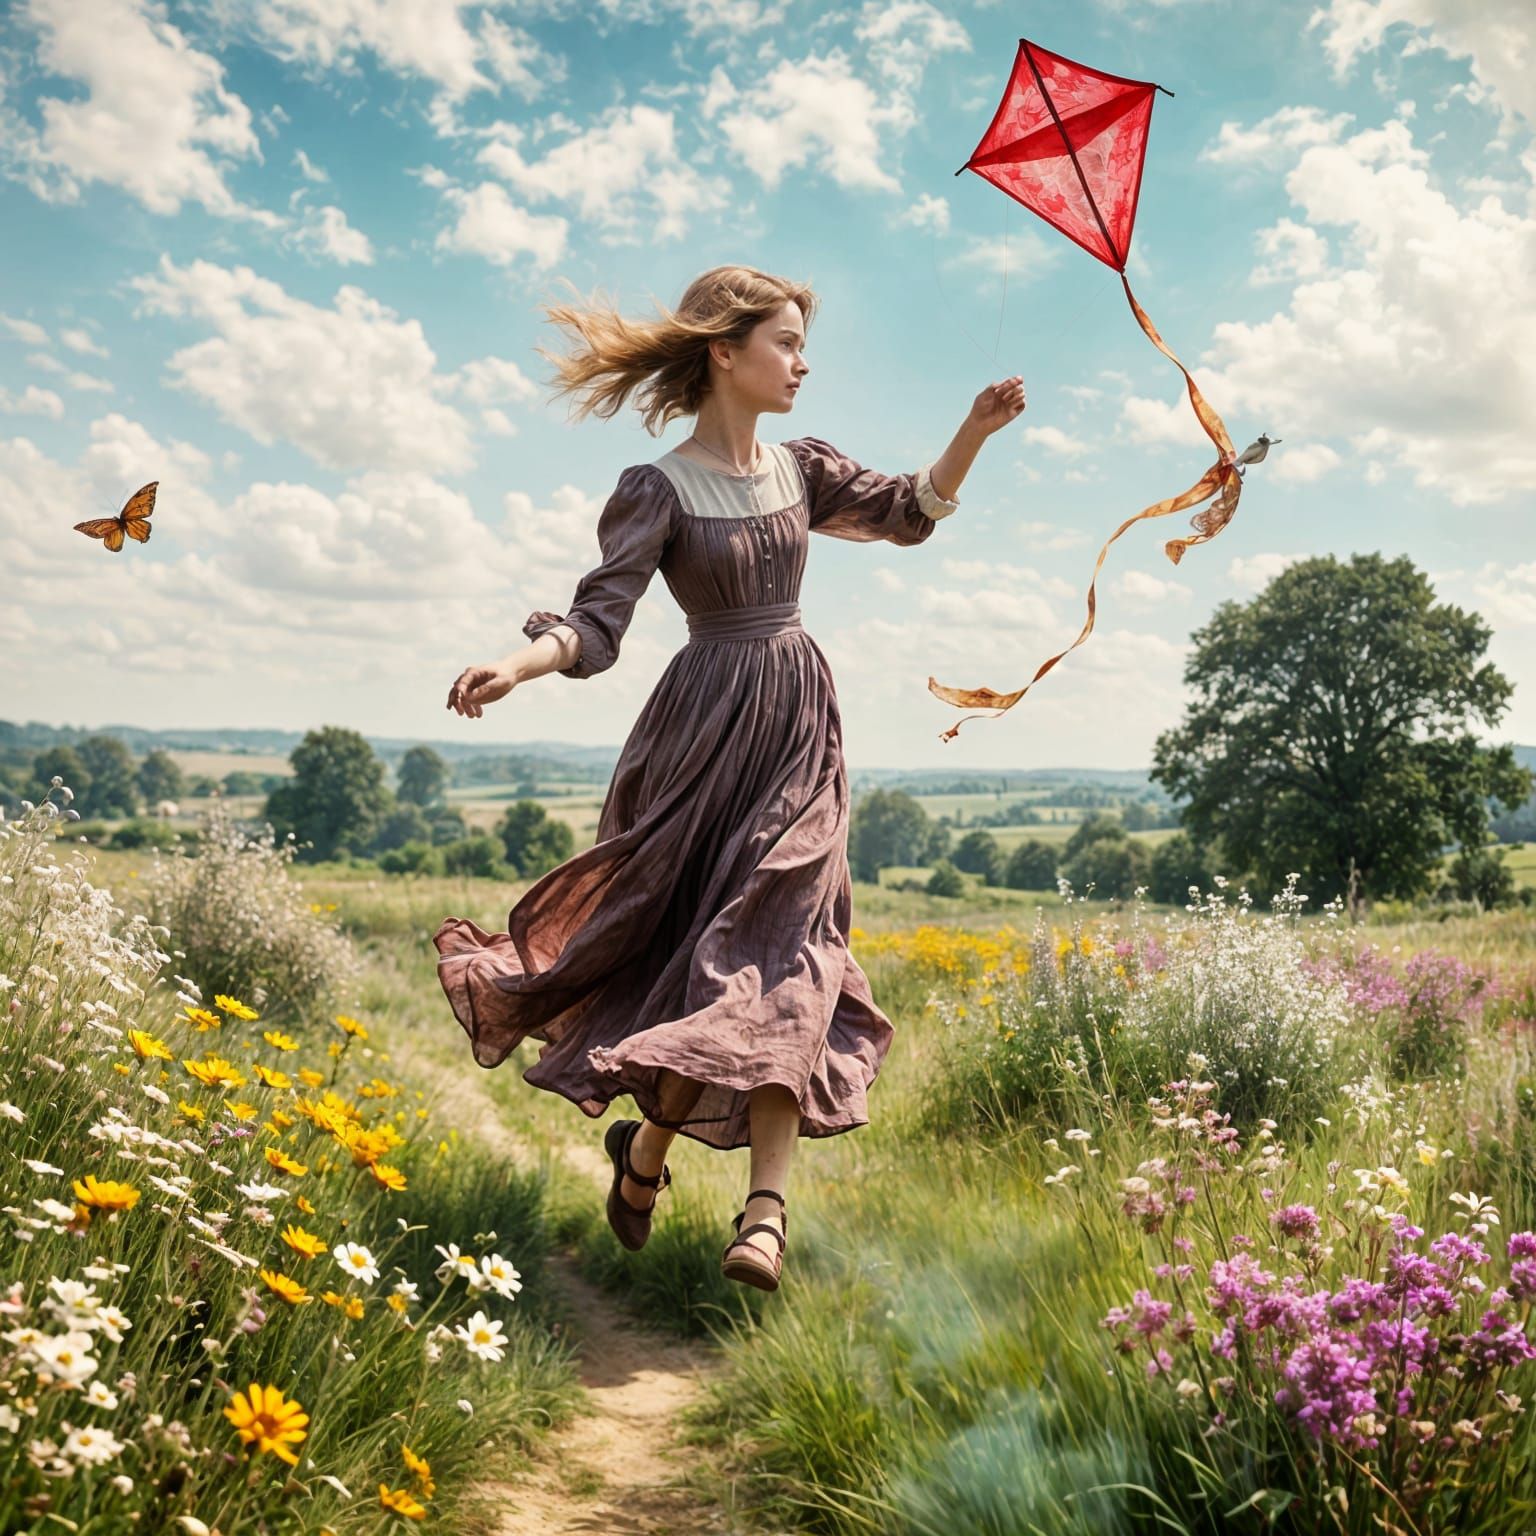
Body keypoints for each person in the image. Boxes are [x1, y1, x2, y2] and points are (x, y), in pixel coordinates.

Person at [437, 264, 1025, 1291]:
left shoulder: (803, 469)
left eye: (803, 346)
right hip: (703, 742)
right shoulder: (657, 489)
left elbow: (910, 510)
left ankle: (765, 1211)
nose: (802, 363)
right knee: (705, 962)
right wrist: (516, 667)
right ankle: (649, 1151)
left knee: (788, 944)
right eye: (786, 344)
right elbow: (595, 621)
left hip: (797, 727)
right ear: (725, 351)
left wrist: (973, 430)